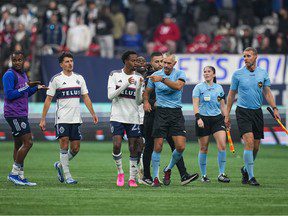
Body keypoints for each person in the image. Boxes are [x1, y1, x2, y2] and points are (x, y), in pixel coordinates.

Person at [39, 52, 98, 184]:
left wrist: (93, 113)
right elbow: (48, 99)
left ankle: (60, 165)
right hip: (62, 118)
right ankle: (68, 176)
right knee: (64, 144)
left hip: (76, 118)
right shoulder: (56, 79)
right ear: (61, 64)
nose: (70, 63)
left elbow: (85, 97)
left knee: (75, 149)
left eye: (71, 61)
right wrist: (43, 119)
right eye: (67, 61)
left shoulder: (79, 78)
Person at [140, 52, 199, 186]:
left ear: (174, 64)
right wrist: (146, 102)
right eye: (164, 62)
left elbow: (178, 86)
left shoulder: (180, 74)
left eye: (168, 63)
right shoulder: (154, 76)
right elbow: (147, 92)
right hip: (160, 113)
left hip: (176, 113)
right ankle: (155, 178)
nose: (165, 65)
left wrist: (162, 79)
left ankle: (168, 169)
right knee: (158, 146)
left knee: (180, 146)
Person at [225, 47, 280, 186]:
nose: (245, 58)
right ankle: (251, 177)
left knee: (256, 147)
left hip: (257, 112)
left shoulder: (263, 73)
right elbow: (231, 94)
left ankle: (245, 169)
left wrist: (274, 108)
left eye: (248, 56)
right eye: (244, 56)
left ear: (255, 57)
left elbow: (267, 92)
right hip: (243, 111)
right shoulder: (238, 74)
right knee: (249, 142)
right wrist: (227, 114)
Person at [3, 51, 48, 186]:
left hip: (20, 113)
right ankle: (14, 173)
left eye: (19, 60)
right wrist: (28, 86)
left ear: (24, 61)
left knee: (19, 144)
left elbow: (24, 93)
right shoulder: (9, 75)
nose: (17, 62)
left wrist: (36, 88)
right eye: (14, 60)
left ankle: (20, 176)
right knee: (28, 142)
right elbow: (9, 95)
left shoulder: (22, 74)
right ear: (11, 61)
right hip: (14, 114)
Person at [108, 50, 144, 187]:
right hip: (117, 115)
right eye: (133, 60)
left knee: (133, 147)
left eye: (136, 60)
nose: (135, 63)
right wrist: (126, 84)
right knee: (117, 145)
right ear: (126, 61)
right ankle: (120, 172)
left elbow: (139, 101)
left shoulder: (139, 77)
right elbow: (111, 96)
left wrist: (139, 87)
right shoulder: (115, 74)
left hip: (133, 117)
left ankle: (132, 178)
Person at [192, 66, 230, 183]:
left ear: (214, 74)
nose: (206, 73)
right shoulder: (198, 87)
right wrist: (198, 118)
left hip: (217, 119)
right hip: (203, 119)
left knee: (222, 145)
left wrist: (226, 118)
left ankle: (221, 174)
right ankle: (204, 175)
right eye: (204, 71)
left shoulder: (219, 88)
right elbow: (195, 105)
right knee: (204, 148)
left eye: (209, 72)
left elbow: (223, 105)